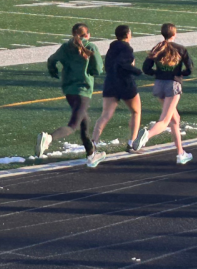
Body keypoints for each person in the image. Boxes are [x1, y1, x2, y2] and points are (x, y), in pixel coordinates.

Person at [37, 23, 104, 161]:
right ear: (87, 35)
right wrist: (90, 72)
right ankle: (49, 138)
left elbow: (52, 60)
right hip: (83, 90)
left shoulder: (66, 47)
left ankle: (91, 154)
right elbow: (97, 69)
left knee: (84, 121)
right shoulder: (90, 47)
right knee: (73, 125)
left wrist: (53, 70)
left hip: (69, 90)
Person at [134, 23, 194, 165]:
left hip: (159, 85)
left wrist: (158, 73)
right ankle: (146, 136)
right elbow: (189, 69)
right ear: (174, 34)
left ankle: (180, 153)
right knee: (165, 121)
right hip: (172, 85)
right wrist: (180, 74)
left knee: (175, 119)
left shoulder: (157, 48)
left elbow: (146, 68)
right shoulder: (180, 49)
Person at [86, 25, 144, 167]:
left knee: (105, 115)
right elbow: (122, 64)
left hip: (110, 83)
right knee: (136, 111)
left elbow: (109, 66)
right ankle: (132, 143)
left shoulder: (111, 48)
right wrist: (137, 71)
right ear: (128, 35)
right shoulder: (127, 48)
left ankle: (93, 144)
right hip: (125, 83)